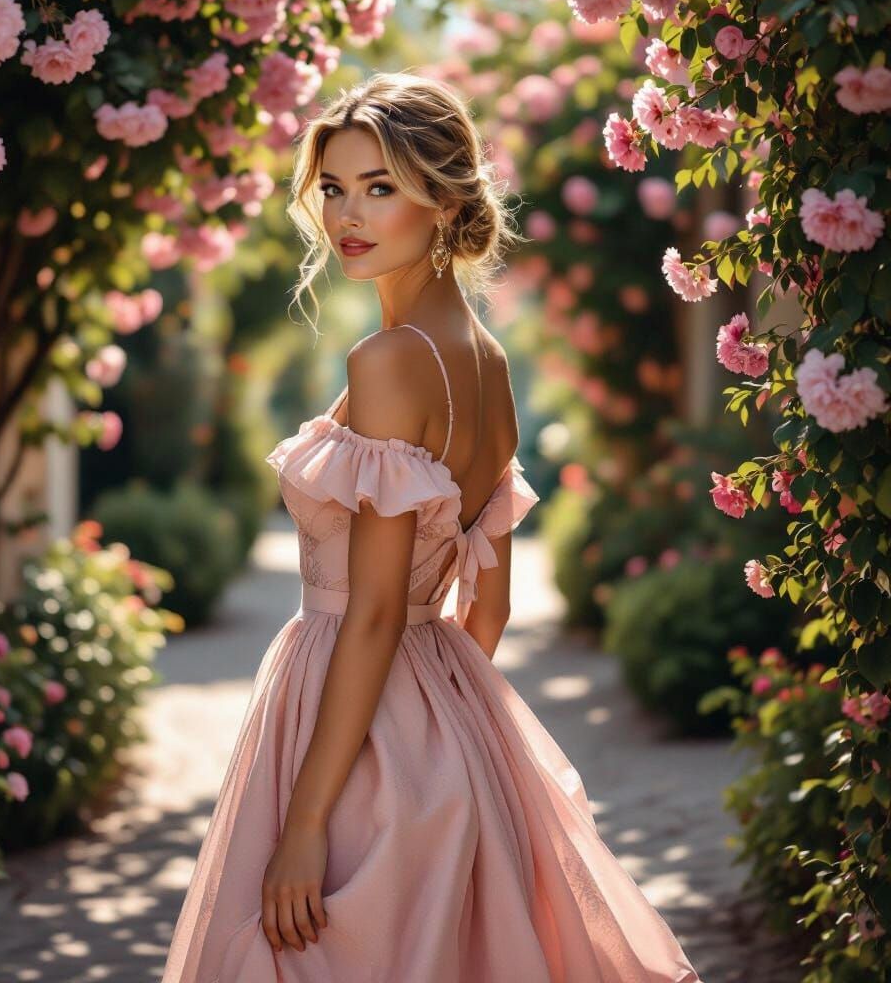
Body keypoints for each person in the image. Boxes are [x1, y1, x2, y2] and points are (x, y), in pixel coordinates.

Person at [161, 70, 702, 983]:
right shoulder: (488, 365)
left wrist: (307, 822)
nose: (347, 215)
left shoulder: (389, 361)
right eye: (335, 187)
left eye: (381, 187)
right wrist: (437, 732)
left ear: (444, 200)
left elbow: (374, 613)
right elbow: (488, 609)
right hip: (442, 719)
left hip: (351, 719)